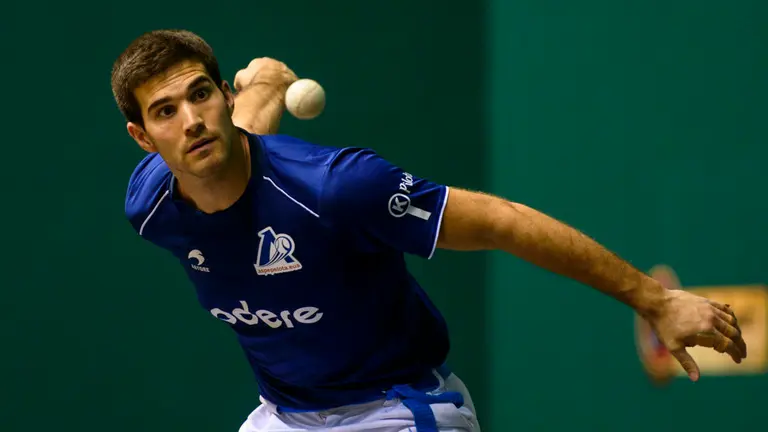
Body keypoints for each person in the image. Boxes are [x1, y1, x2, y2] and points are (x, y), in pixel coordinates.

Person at [111, 29, 747, 432]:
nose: (191, 121)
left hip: (398, 410)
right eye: (166, 111)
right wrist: (271, 85)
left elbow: (500, 222)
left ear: (224, 96)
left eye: (201, 96)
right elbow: (234, 148)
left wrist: (653, 298)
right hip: (285, 418)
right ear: (143, 138)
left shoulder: (337, 187)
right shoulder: (151, 203)